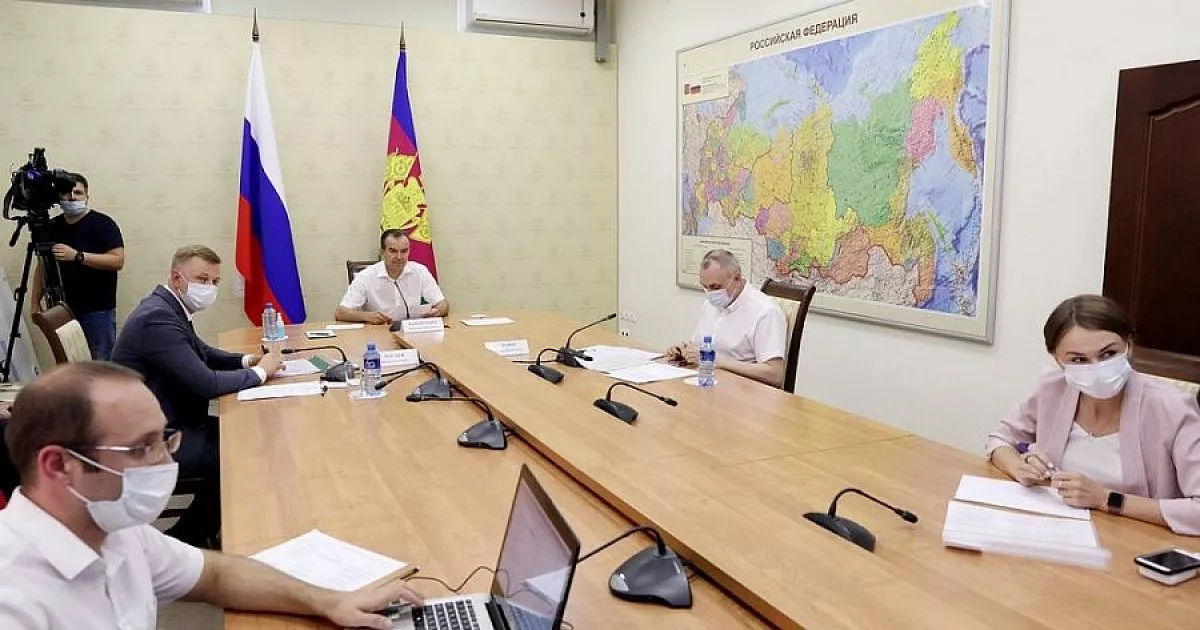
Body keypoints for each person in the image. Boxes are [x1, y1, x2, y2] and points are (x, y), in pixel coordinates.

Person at [0, 362, 422, 629]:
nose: (166, 461)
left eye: (164, 439)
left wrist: (330, 601)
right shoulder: (14, 599)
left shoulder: (113, 528)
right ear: (59, 465)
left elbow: (216, 575)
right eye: (142, 447)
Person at [111, 245, 284, 547]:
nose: (209, 288)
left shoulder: (168, 306)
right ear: (177, 278)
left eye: (215, 282)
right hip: (152, 438)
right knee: (244, 456)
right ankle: (190, 539)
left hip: (173, 419)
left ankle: (196, 533)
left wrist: (249, 361)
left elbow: (202, 352)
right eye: (202, 279)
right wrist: (262, 373)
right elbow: (205, 383)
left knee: (250, 439)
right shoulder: (157, 318)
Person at [987, 294, 1200, 535]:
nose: (1096, 367)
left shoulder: (1173, 408)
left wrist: (1105, 499)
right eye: (1078, 359)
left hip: (1137, 542)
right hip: (1054, 532)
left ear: (1128, 346)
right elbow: (1000, 439)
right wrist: (1018, 467)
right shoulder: (1052, 389)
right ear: (1058, 360)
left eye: (1108, 354)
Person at [31, 173, 125, 360]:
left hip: (97, 310)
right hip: (61, 308)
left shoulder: (102, 224)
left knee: (101, 363)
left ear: (87, 197)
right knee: (68, 362)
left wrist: (77, 256)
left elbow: (117, 261)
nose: (72, 197)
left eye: (78, 193)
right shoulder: (53, 226)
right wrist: (34, 301)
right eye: (66, 193)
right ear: (58, 197)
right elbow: (43, 266)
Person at [667, 249, 787, 388]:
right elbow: (700, 347)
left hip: (743, 392)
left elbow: (774, 375)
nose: (710, 293)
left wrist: (715, 359)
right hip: (707, 383)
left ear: (737, 278)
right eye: (705, 287)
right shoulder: (710, 305)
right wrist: (684, 352)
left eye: (715, 287)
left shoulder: (765, 311)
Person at [336, 229, 448, 324]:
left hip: (416, 332)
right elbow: (341, 312)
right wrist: (367, 316)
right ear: (382, 253)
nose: (399, 257)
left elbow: (443, 304)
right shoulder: (366, 276)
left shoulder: (420, 271)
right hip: (380, 333)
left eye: (404, 251)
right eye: (393, 251)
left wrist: (437, 311)